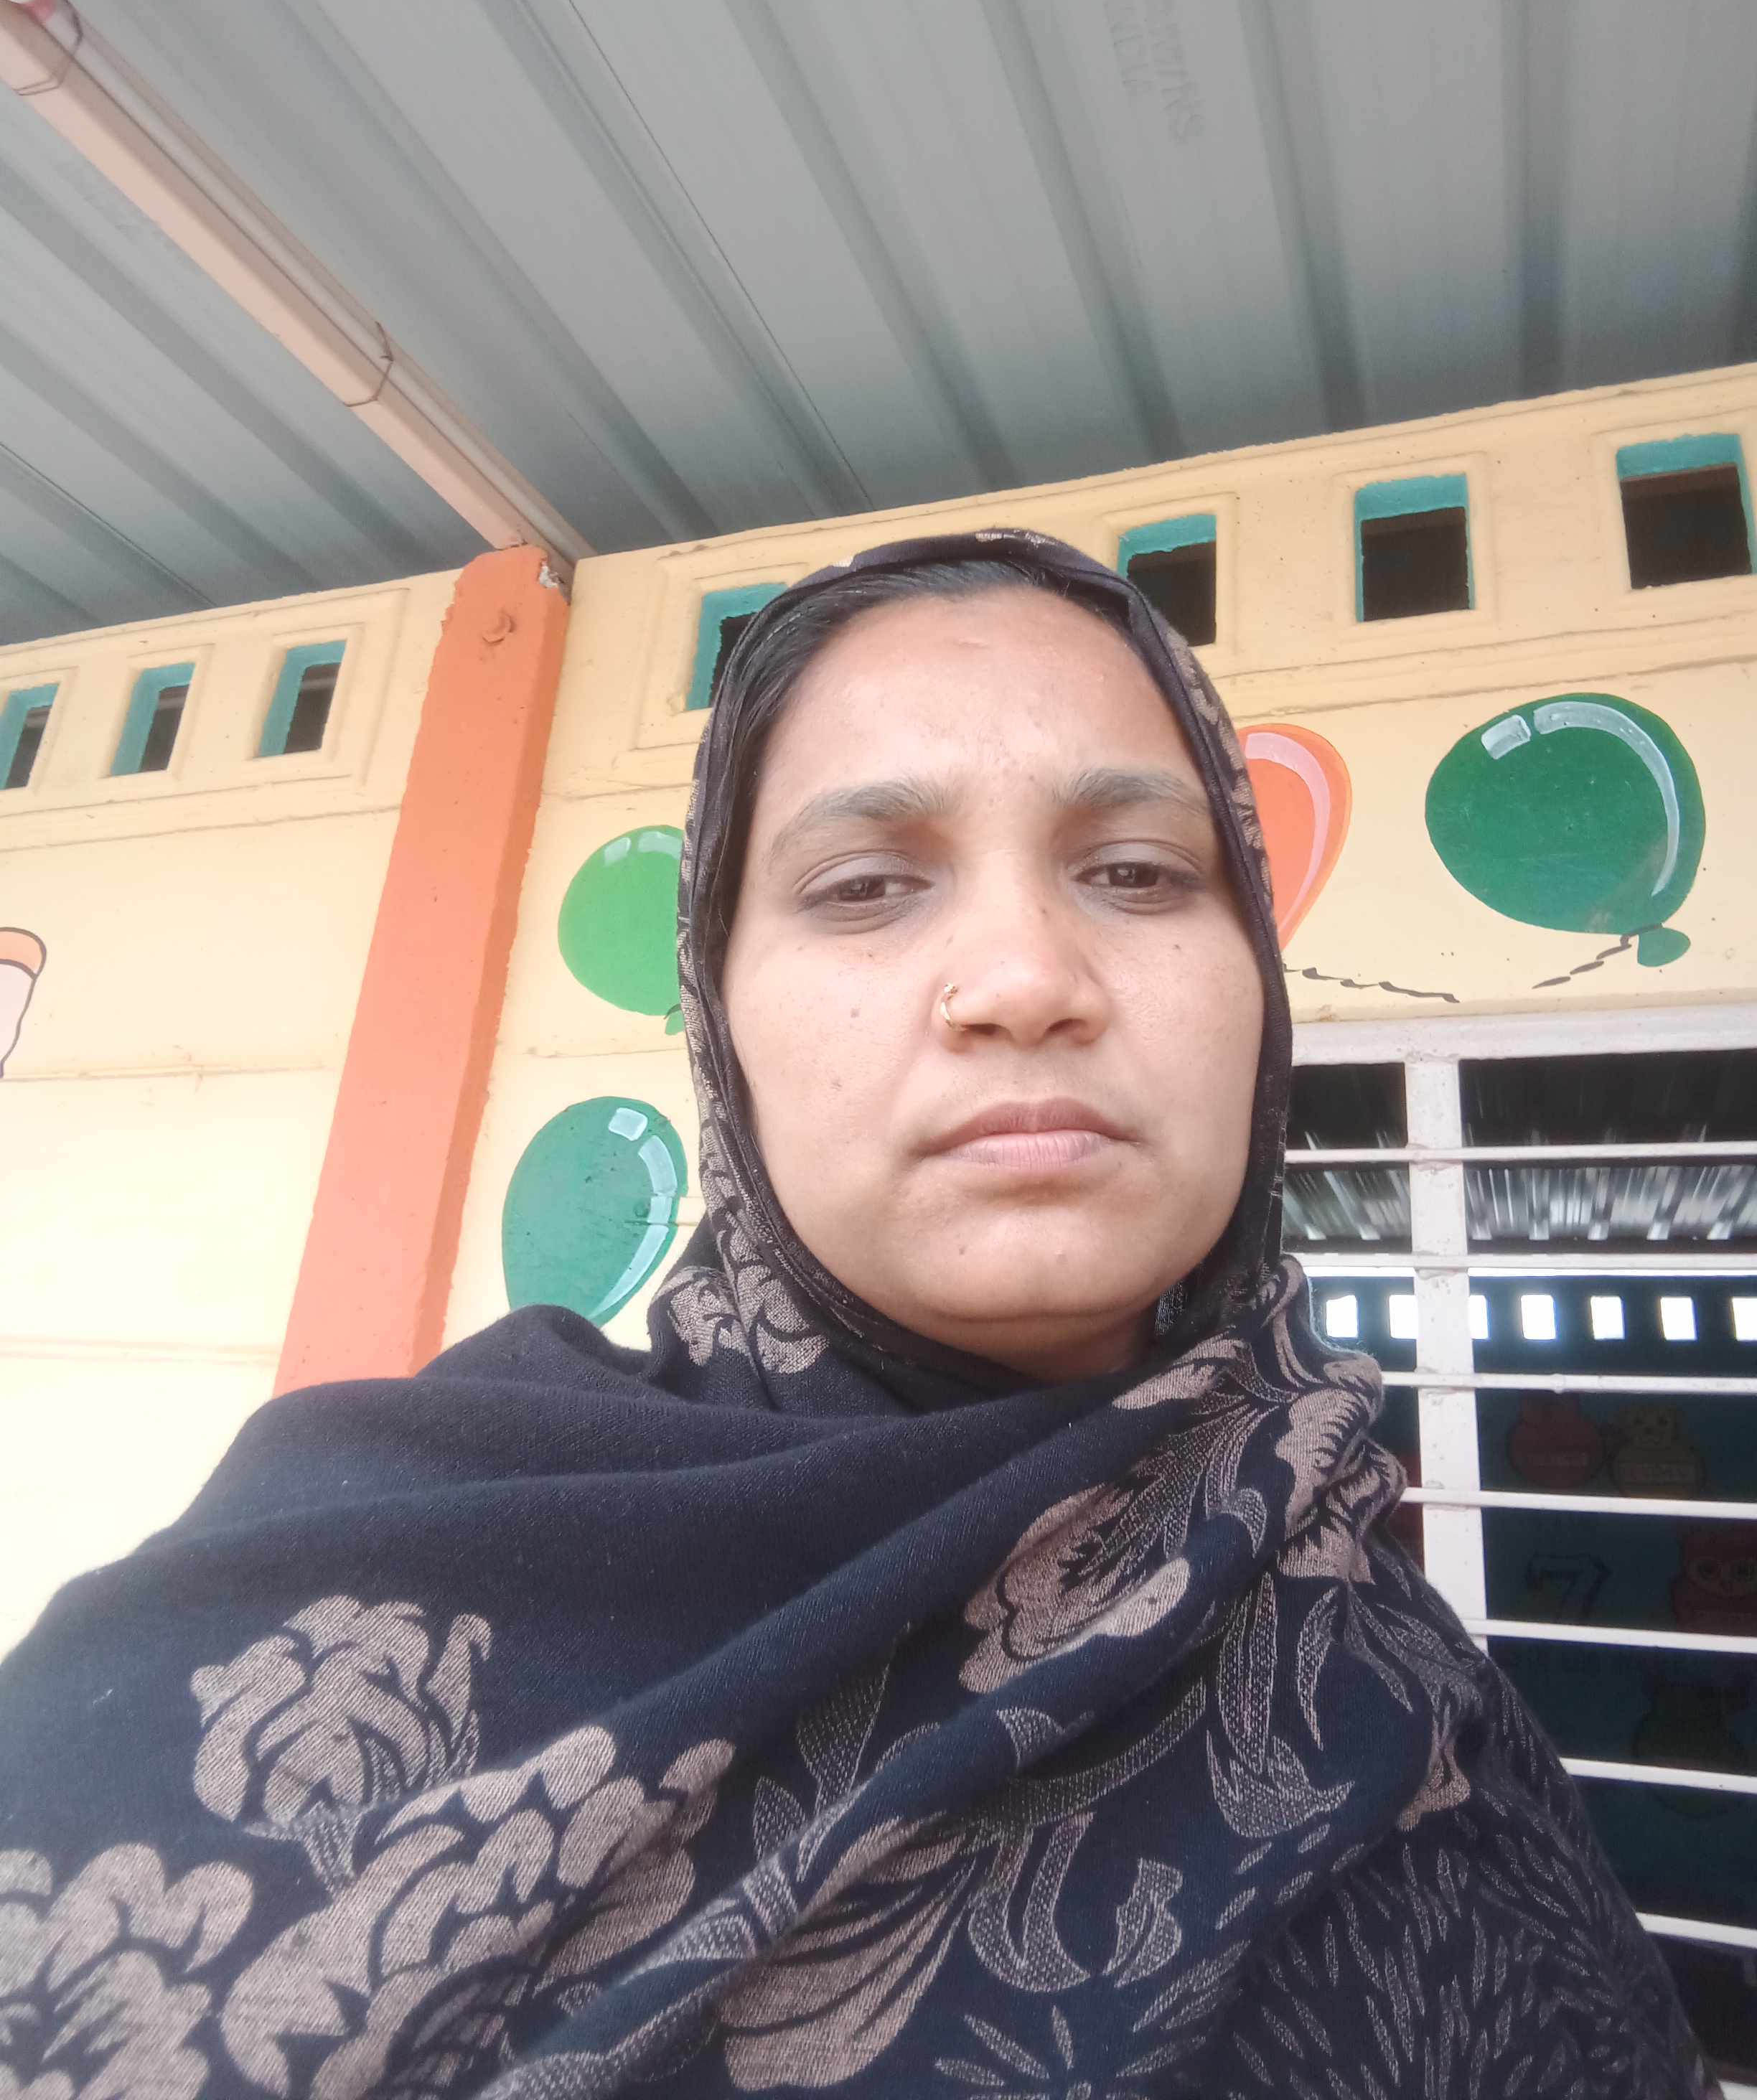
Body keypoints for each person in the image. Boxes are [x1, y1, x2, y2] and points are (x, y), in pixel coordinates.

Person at [0, 530, 1713, 2098]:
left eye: (1135, 871)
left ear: (1257, 981)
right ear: (719, 1014)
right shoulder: (335, 1565)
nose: (1025, 981)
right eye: (867, 885)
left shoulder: (1405, 1700)